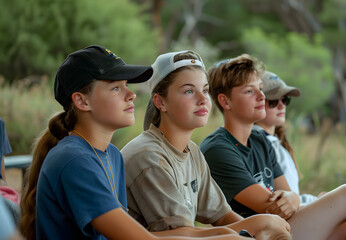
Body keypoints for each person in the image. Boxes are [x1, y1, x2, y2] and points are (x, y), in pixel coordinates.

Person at [18, 45, 246, 240]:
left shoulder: (111, 155)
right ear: (81, 100)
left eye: (126, 85)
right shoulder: (74, 160)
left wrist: (231, 234)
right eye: (116, 88)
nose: (131, 95)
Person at [200, 54, 346, 240]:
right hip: (258, 234)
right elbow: (272, 207)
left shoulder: (260, 140)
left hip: (282, 227)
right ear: (225, 101)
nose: (262, 96)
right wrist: (294, 199)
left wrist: (295, 198)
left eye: (261, 88)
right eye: (250, 91)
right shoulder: (218, 149)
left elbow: (289, 195)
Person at [121, 50, 291, 240]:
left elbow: (222, 216)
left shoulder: (191, 150)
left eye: (205, 90)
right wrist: (252, 225)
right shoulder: (150, 157)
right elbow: (175, 234)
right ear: (160, 102)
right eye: (188, 91)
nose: (202, 100)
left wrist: (258, 228)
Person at [253, 71, 318, 205]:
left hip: (297, 210)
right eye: (273, 101)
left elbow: (293, 195)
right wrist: (317, 201)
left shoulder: (276, 142)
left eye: (285, 99)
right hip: (286, 220)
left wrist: (317, 200)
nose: (282, 105)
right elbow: (280, 202)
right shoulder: (258, 144)